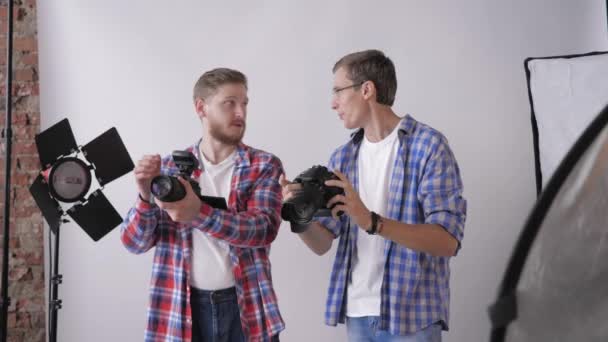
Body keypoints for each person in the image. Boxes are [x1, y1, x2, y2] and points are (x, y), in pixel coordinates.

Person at [280, 50, 467, 341]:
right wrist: (298, 215)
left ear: (366, 89)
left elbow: (447, 241)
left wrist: (372, 222)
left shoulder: (428, 146)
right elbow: (322, 244)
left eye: (338, 91)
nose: (333, 103)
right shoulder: (343, 158)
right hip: (357, 314)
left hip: (412, 316)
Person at [121, 68, 284, 342]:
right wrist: (144, 196)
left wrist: (198, 212)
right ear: (201, 108)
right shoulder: (171, 168)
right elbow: (134, 243)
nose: (241, 113)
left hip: (245, 307)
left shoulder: (264, 165)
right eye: (229, 103)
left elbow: (262, 229)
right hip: (180, 306)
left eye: (244, 103)